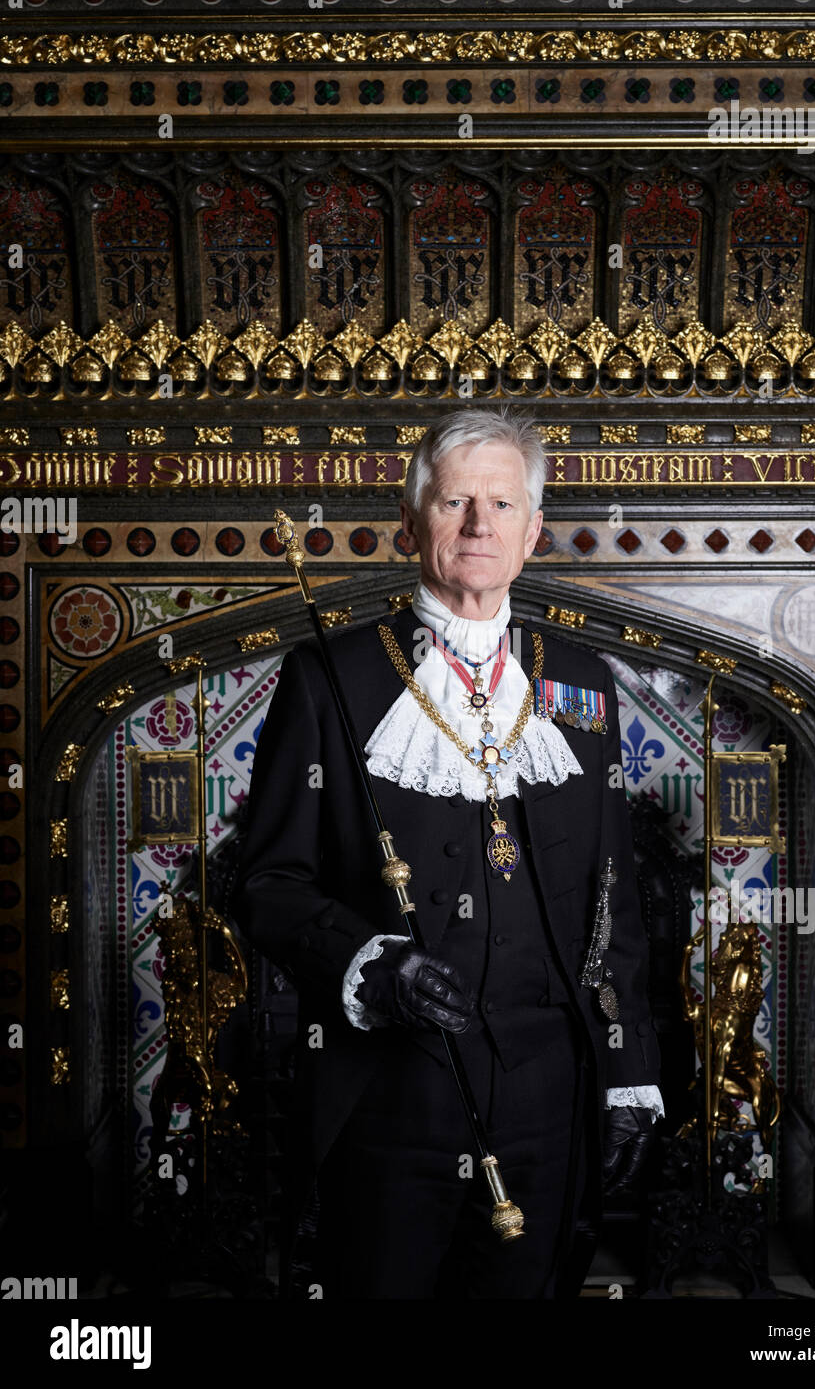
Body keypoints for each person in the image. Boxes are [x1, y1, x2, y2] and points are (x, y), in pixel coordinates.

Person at [231, 407, 663, 1299]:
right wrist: (370, 963)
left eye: (502, 506)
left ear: (533, 531)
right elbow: (265, 882)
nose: (479, 526)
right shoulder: (331, 675)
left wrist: (626, 1074)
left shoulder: (577, 683)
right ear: (410, 519)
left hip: (551, 1089)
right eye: (455, 502)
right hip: (390, 1098)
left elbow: (610, 897)